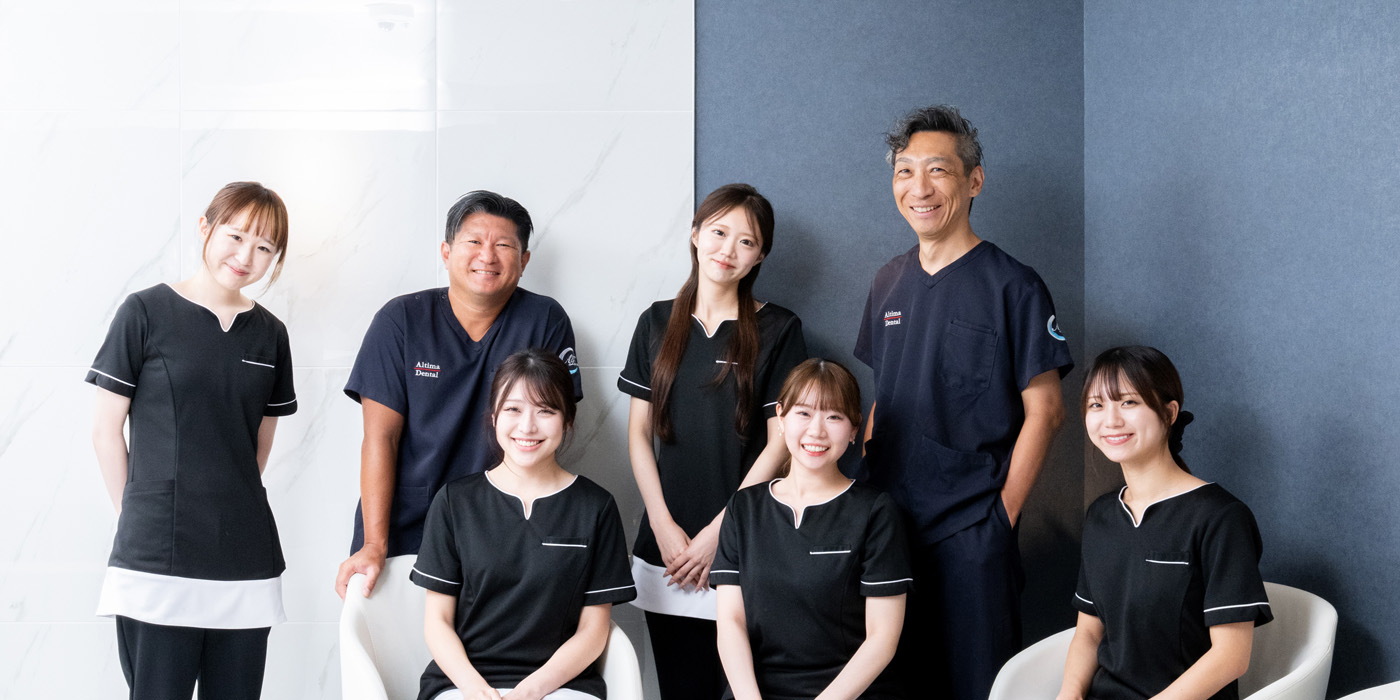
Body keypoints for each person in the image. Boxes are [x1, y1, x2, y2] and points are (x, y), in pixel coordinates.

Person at [853, 104, 1075, 699]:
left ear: (974, 181)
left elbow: (1048, 411)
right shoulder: (887, 282)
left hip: (972, 530)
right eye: (905, 171)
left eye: (938, 170)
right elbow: (883, 394)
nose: (919, 187)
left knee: (977, 685)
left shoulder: (1014, 286)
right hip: (886, 528)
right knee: (893, 685)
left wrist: (1000, 519)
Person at [87, 181, 296, 700]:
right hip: (158, 553)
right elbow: (105, 431)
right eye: (236, 236)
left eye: (264, 247)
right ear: (205, 227)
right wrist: (137, 514)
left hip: (243, 554)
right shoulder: (144, 312)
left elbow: (258, 445)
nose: (246, 257)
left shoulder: (271, 334)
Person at [336, 190, 582, 600]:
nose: (487, 256)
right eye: (474, 241)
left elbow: (548, 432)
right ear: (446, 252)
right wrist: (374, 544)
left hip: (504, 526)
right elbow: (380, 438)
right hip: (405, 527)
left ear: (524, 261)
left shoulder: (544, 320)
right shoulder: (401, 320)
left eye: (504, 245)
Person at [618, 183, 808, 699]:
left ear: (760, 256)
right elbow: (638, 434)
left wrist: (717, 533)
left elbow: (780, 445)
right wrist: (663, 524)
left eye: (747, 241)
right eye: (719, 233)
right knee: (679, 687)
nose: (728, 249)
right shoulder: (656, 322)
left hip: (743, 540)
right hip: (668, 547)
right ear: (695, 235)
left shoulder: (778, 329)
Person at [410, 348, 635, 700]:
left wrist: (531, 691)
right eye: (513, 409)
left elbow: (593, 631)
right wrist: (474, 688)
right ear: (494, 417)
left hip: (561, 685)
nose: (527, 427)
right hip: (464, 683)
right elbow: (437, 621)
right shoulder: (455, 502)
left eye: (545, 410)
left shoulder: (596, 507)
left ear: (568, 419)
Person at [1057, 346, 1271, 700]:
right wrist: (1069, 694)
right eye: (1096, 405)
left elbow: (1231, 657)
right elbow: (1090, 633)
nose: (1111, 420)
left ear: (1169, 413)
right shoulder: (1100, 516)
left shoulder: (1221, 517)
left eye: (1128, 402)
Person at [712, 358, 912, 700]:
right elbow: (731, 622)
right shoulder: (743, 509)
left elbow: (882, 639)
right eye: (803, 413)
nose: (817, 431)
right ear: (781, 417)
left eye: (834, 417)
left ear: (854, 429)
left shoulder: (876, 512)